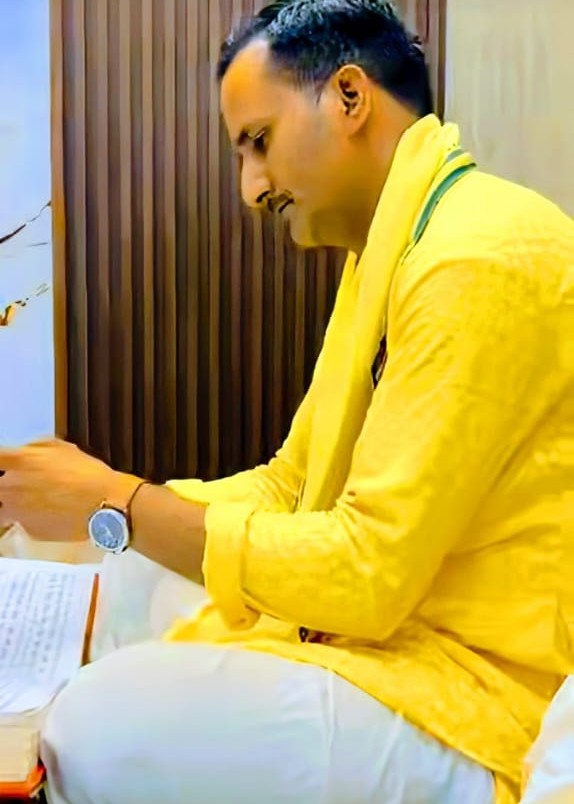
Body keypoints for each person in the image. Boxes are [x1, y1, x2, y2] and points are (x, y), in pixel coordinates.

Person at [1, 1, 574, 802]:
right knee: (133, 580)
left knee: (92, 728)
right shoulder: (391, 249)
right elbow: (289, 485)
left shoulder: (474, 257)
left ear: (349, 96)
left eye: (259, 142)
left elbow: (367, 574)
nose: (251, 188)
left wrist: (117, 503)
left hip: (468, 690)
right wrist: (110, 511)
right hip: (385, 631)